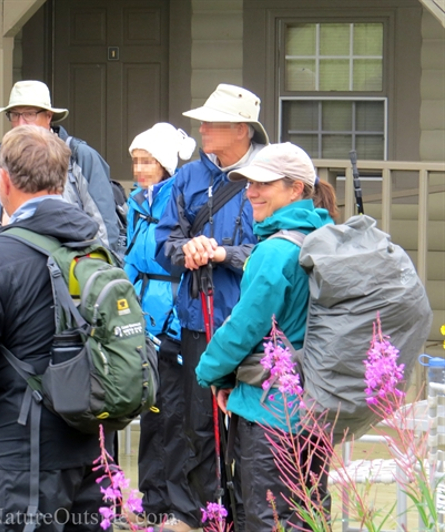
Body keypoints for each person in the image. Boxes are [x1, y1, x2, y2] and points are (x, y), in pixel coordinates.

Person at [0, 125, 106, 532]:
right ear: (61, 178)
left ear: (4, 180)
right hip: (92, 444)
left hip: (18, 451)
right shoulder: (94, 247)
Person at [195, 142, 339, 531]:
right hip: (315, 410)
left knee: (268, 519)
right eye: (248, 183)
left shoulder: (275, 251)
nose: (250, 191)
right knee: (310, 515)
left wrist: (211, 373)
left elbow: (245, 327)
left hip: (271, 412)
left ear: (295, 189)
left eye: (263, 184)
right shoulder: (324, 238)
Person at [154, 84, 269, 531]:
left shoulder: (270, 173)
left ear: (241, 129)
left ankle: (247, 518)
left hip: (253, 325)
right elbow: (166, 245)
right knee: (199, 425)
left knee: (248, 427)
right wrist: (191, 250)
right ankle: (205, 516)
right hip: (197, 320)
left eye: (213, 122)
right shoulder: (187, 178)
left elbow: (277, 250)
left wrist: (225, 254)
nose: (201, 128)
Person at [121, 123, 196, 528]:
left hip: (175, 323)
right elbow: (132, 258)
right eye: (135, 160)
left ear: (165, 164)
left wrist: (175, 321)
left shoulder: (179, 200)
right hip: (143, 322)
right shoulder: (137, 201)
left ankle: (177, 503)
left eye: (147, 160)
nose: (139, 167)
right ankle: (152, 501)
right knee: (151, 413)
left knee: (175, 416)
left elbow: (180, 265)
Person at [0, 79, 119, 253]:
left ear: (48, 116)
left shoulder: (79, 157)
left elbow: (105, 231)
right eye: (15, 115)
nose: (21, 123)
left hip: (67, 270)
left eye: (29, 114)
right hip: (9, 268)